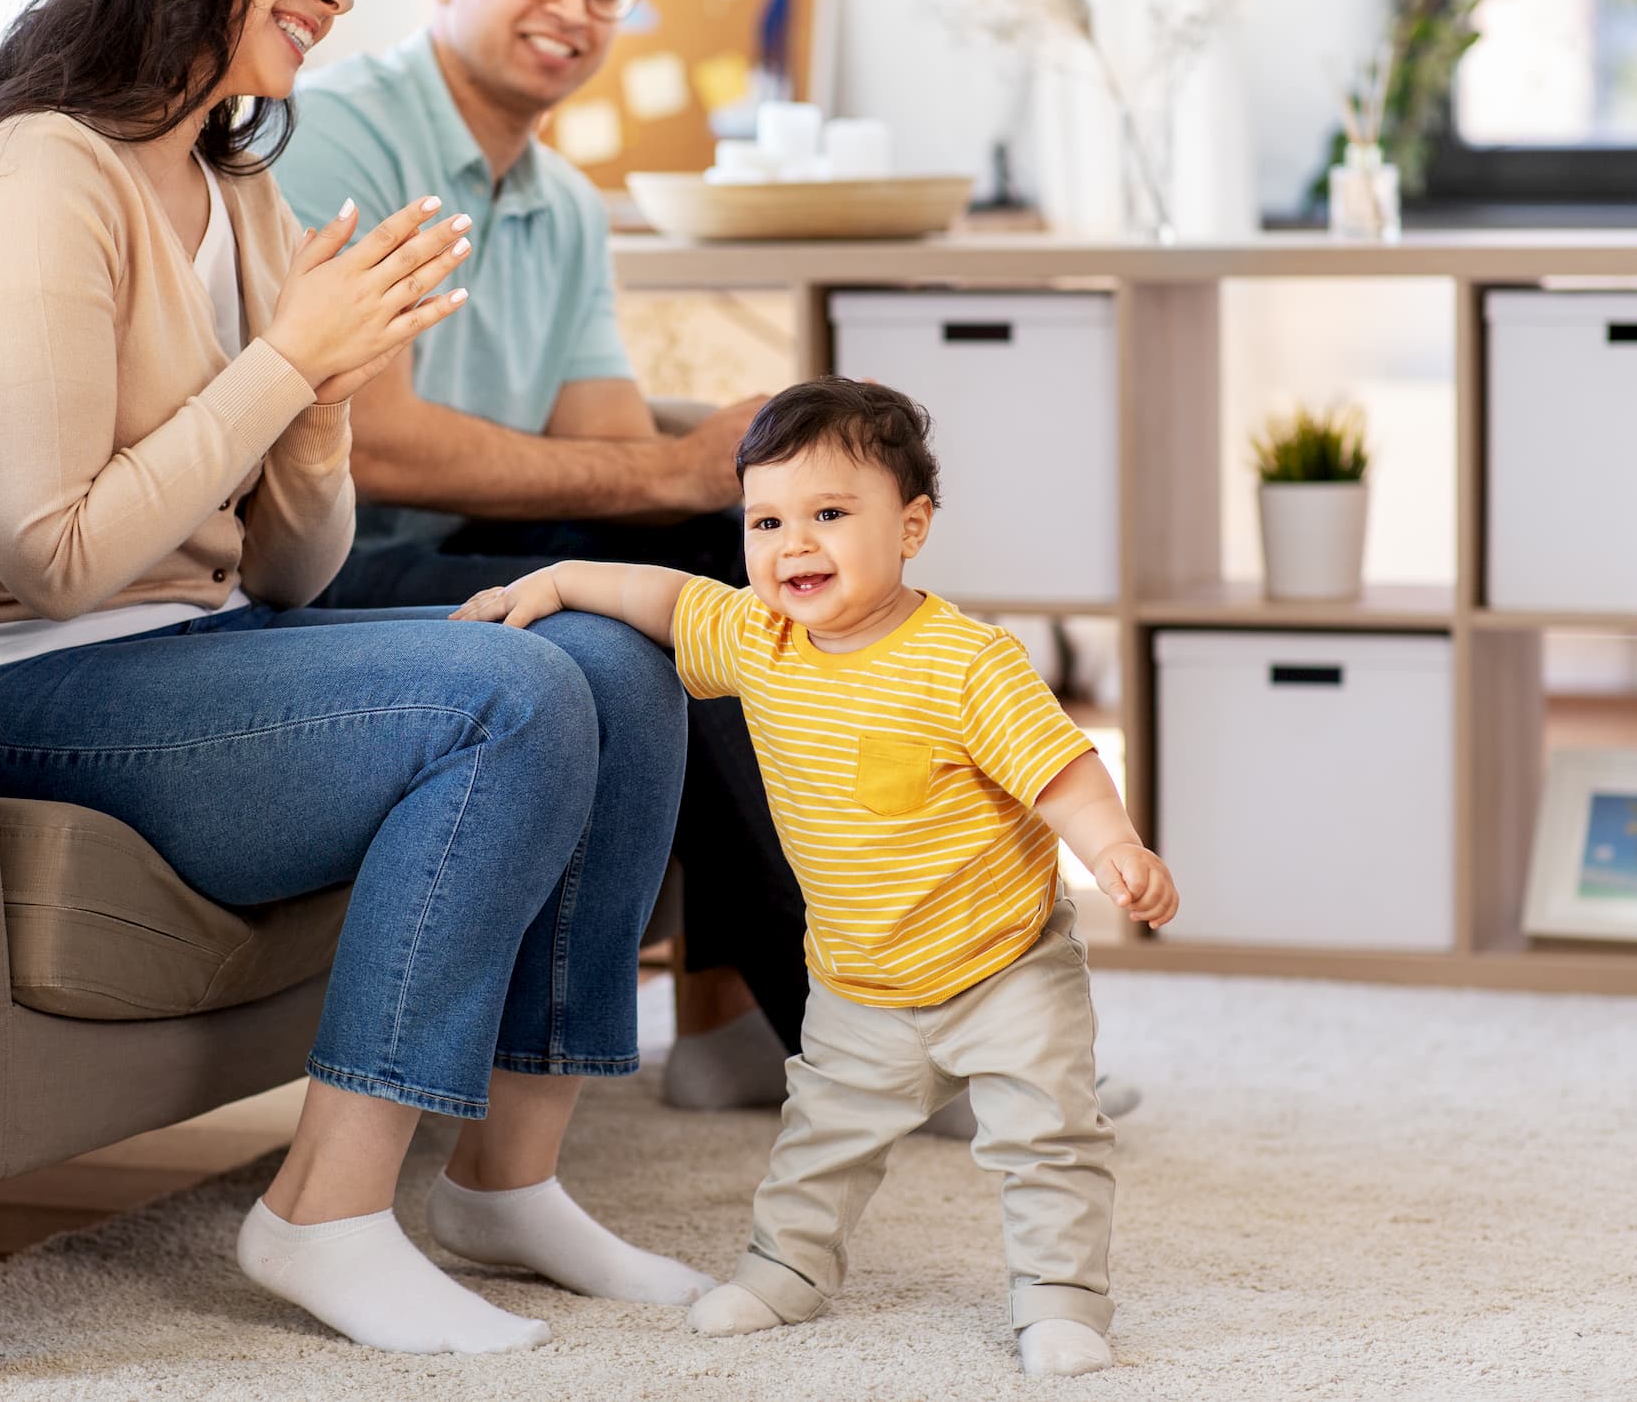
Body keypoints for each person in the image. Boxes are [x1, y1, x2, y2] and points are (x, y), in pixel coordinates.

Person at [0, 0, 710, 1358]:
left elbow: (296, 573)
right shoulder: (43, 171)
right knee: (508, 695)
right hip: (25, 676)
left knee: (615, 649)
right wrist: (285, 359)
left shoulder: (238, 187)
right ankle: (322, 1208)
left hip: (199, 643)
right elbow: (47, 548)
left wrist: (317, 401)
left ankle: (508, 1178)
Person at [451, 379, 1179, 1378]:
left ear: (911, 524)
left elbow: (1060, 767)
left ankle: (1059, 1299)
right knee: (820, 1141)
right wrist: (564, 578)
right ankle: (787, 1268)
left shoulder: (967, 662)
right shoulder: (761, 637)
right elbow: (666, 596)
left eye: (830, 514)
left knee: (1047, 1139)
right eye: (766, 519)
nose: (794, 544)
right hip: (856, 976)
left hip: (1002, 963)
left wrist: (1114, 848)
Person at [271, 0, 814, 1107]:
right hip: (322, 558)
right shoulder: (335, 139)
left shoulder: (563, 201)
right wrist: (670, 474)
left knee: (747, 563)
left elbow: (615, 444)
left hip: (460, 550)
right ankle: (847, 1027)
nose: (572, 7)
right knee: (669, 580)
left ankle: (812, 1006)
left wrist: (732, 477)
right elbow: (375, 437)